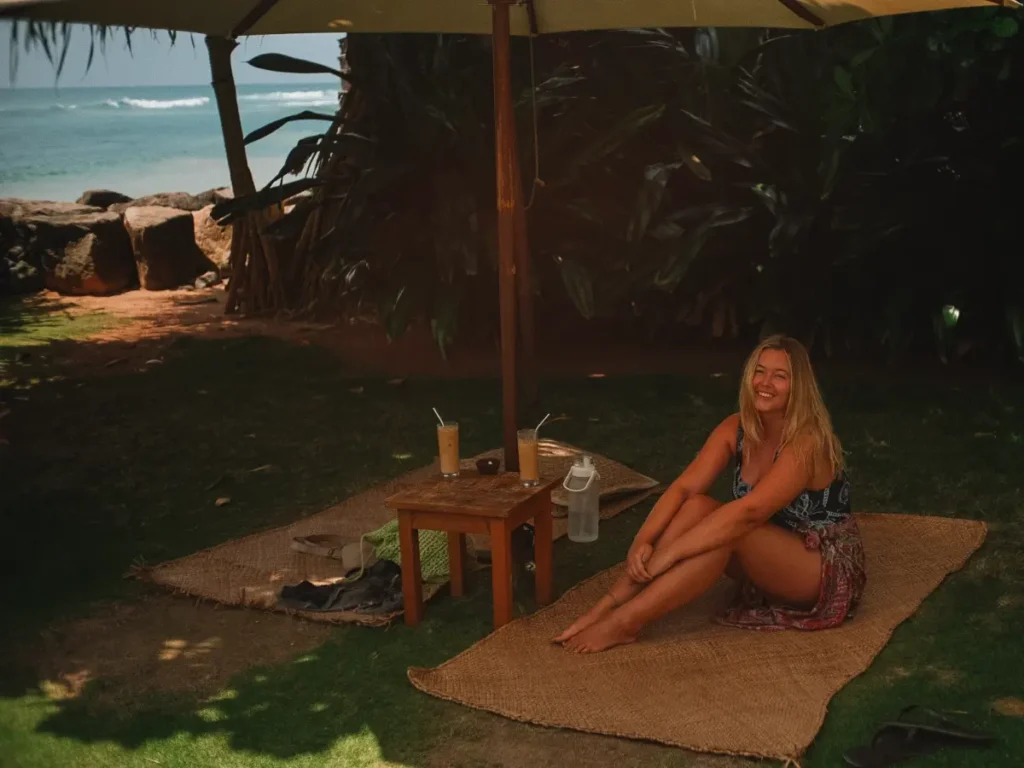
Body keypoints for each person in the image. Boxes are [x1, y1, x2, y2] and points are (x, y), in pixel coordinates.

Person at [554, 334, 866, 653]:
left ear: (799, 387)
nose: (765, 382)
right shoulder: (737, 427)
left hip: (820, 567)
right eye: (760, 371)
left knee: (729, 531)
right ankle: (609, 605)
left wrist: (671, 553)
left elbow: (750, 513)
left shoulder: (806, 442)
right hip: (769, 549)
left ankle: (625, 623)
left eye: (780, 376)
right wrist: (643, 540)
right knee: (697, 506)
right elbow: (684, 488)